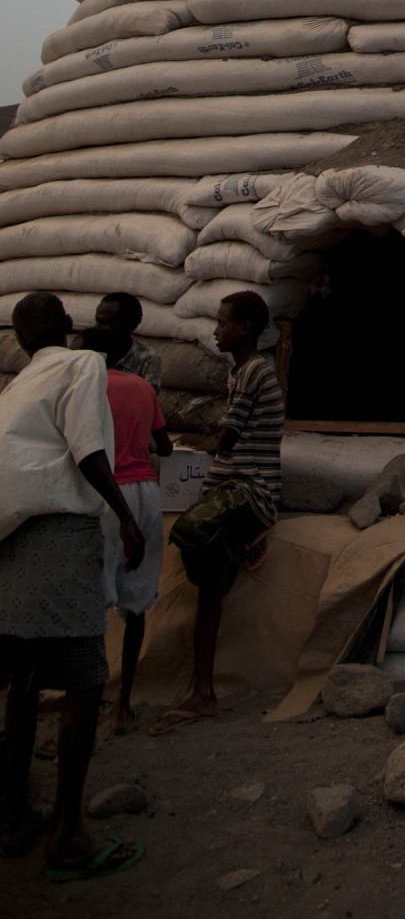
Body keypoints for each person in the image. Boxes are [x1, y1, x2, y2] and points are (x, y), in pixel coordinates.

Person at [0, 291, 146, 880]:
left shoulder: (14, 390)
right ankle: (66, 831)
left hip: (11, 543)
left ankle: (13, 820)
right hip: (59, 536)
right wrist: (126, 517)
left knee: (24, 681)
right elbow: (88, 448)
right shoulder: (83, 365)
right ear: (68, 326)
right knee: (86, 677)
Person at [148, 292, 283, 736]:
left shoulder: (255, 372)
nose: (214, 330)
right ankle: (202, 691)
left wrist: (193, 443)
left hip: (249, 490)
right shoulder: (241, 370)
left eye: (223, 322)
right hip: (229, 485)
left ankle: (250, 534)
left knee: (188, 529)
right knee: (209, 583)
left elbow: (228, 439)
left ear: (244, 327)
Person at [82, 326, 172, 735]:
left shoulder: (86, 386)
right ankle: (123, 705)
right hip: (146, 495)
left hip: (103, 494)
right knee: (135, 603)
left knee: (92, 603)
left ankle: (87, 702)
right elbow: (165, 446)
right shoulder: (141, 386)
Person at [78, 292, 161, 392]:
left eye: (104, 322)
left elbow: (146, 400)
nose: (97, 327)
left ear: (128, 325)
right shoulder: (88, 349)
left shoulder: (147, 358)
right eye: (97, 321)